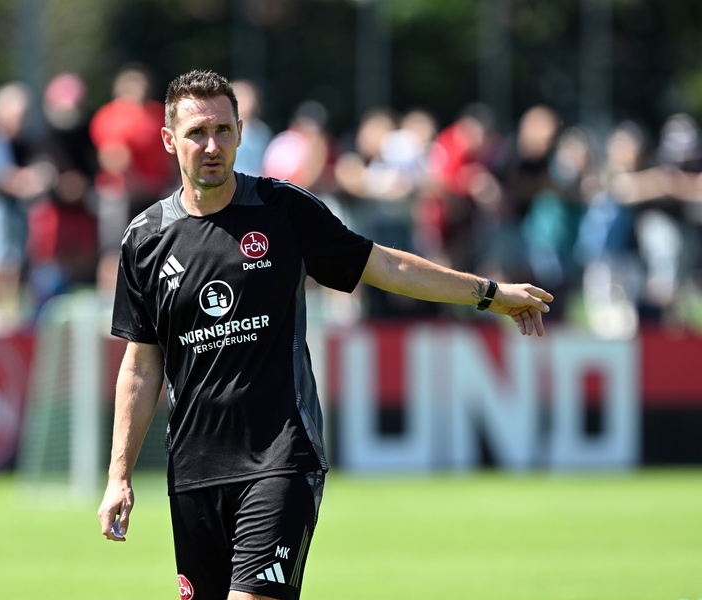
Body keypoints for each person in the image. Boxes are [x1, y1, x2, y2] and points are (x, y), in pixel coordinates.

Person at [97, 70, 553, 600]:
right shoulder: (145, 239)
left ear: (241, 132)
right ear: (169, 139)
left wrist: (489, 294)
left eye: (223, 129)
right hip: (194, 470)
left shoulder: (283, 210)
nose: (212, 145)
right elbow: (141, 365)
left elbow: (385, 266)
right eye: (197, 132)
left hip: (281, 458)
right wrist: (118, 475)